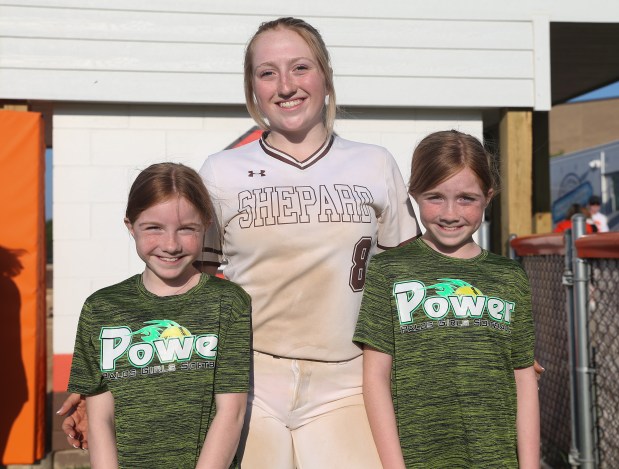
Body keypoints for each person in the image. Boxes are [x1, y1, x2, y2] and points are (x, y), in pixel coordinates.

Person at [59, 17, 420, 469]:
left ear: (325, 76)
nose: (285, 85)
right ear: (252, 89)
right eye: (268, 72)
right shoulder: (221, 171)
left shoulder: (375, 163)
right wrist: (104, 383)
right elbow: (183, 286)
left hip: (348, 378)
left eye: (300, 68)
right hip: (249, 380)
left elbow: (412, 287)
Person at [355, 130, 540, 468]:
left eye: (467, 198)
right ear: (414, 194)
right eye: (435, 196)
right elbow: (375, 378)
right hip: (417, 458)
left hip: (496, 459)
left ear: (488, 196)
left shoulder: (509, 277)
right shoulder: (387, 271)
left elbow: (524, 377)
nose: (450, 213)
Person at [66, 163, 251, 468]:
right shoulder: (101, 308)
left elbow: (232, 413)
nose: (171, 245)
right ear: (130, 226)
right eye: (154, 228)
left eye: (186, 229)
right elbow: (100, 418)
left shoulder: (228, 304)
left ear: (205, 226)